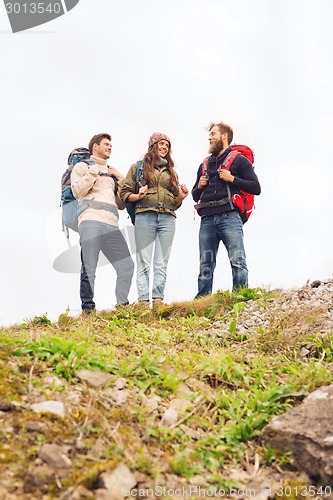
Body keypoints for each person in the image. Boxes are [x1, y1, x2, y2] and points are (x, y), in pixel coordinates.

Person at [192, 122, 261, 297]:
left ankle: (240, 297)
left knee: (237, 261)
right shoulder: (204, 164)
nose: (209, 137)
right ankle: (202, 300)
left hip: (229, 217)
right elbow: (194, 195)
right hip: (207, 220)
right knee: (205, 265)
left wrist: (232, 179)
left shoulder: (239, 160)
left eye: (213, 134)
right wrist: (199, 187)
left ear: (224, 136)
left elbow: (256, 187)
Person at [120, 132, 188, 304]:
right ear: (153, 145)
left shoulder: (171, 172)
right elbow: (124, 193)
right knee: (144, 260)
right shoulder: (138, 168)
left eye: (167, 145)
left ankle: (158, 301)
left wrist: (181, 197)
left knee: (161, 261)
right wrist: (138, 196)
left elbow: (175, 201)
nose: (165, 147)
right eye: (162, 144)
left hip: (168, 218)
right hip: (144, 215)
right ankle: (143, 302)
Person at [71, 133, 134, 313]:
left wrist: (120, 179)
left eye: (111, 145)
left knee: (126, 266)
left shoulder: (112, 172)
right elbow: (77, 191)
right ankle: (88, 309)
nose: (110, 147)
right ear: (95, 146)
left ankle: (122, 306)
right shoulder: (82, 167)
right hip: (90, 220)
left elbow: (121, 205)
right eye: (106, 144)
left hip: (111, 224)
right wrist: (92, 172)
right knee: (89, 267)